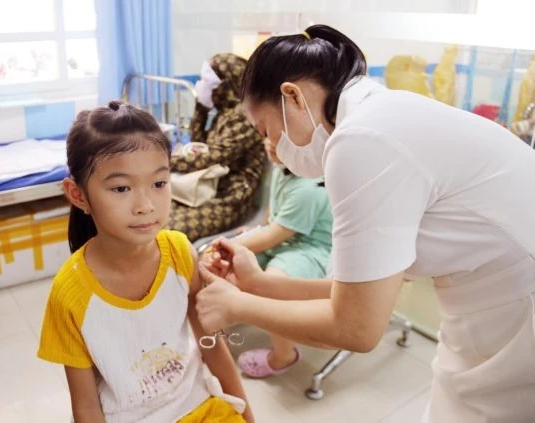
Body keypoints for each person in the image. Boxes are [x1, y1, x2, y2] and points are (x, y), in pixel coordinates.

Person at [194, 24, 535, 423]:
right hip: (490, 306)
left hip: (516, 314)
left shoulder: (361, 142)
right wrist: (260, 283)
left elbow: (357, 327)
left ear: (292, 96)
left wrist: (238, 306)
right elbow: (364, 292)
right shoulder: (381, 116)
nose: (275, 151)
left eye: (267, 130)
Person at [37, 101, 253, 422]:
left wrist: (247, 415)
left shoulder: (180, 251)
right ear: (79, 195)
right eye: (121, 188)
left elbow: (211, 344)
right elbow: (85, 406)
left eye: (159, 183)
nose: (145, 205)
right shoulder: (70, 294)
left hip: (202, 409)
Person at [204, 138, 333, 378]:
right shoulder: (282, 169)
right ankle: (216, 341)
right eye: (267, 135)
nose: (270, 144)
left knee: (274, 286)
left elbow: (275, 235)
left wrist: (228, 245)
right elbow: (271, 218)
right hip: (282, 238)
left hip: (310, 249)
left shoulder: (308, 188)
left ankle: (284, 356)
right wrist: (252, 234)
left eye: (281, 140)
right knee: (220, 271)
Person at [168, 53, 266, 242]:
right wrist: (201, 108)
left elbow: (213, 157)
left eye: (206, 80)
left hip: (229, 198)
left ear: (226, 84)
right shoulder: (224, 112)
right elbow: (199, 144)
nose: (201, 85)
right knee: (155, 217)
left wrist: (164, 163)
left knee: (169, 230)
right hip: (205, 187)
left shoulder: (244, 116)